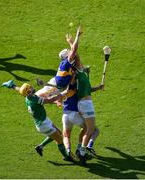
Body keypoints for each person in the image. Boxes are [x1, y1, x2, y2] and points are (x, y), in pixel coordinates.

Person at [1, 80, 74, 162]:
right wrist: (63, 93)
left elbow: (21, 90)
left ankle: (40, 147)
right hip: (44, 124)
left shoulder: (27, 97)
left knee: (58, 134)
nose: (32, 87)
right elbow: (49, 100)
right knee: (60, 140)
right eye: (30, 88)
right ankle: (67, 157)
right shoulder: (34, 99)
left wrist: (12, 86)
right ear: (28, 92)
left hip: (43, 121)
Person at [65, 33, 104, 166]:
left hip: (85, 103)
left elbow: (87, 90)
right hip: (85, 104)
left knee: (88, 129)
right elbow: (76, 55)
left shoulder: (82, 75)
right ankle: (82, 152)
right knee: (91, 130)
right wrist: (72, 41)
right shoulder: (79, 72)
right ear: (78, 64)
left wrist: (98, 87)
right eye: (80, 63)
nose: (82, 63)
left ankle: (80, 149)